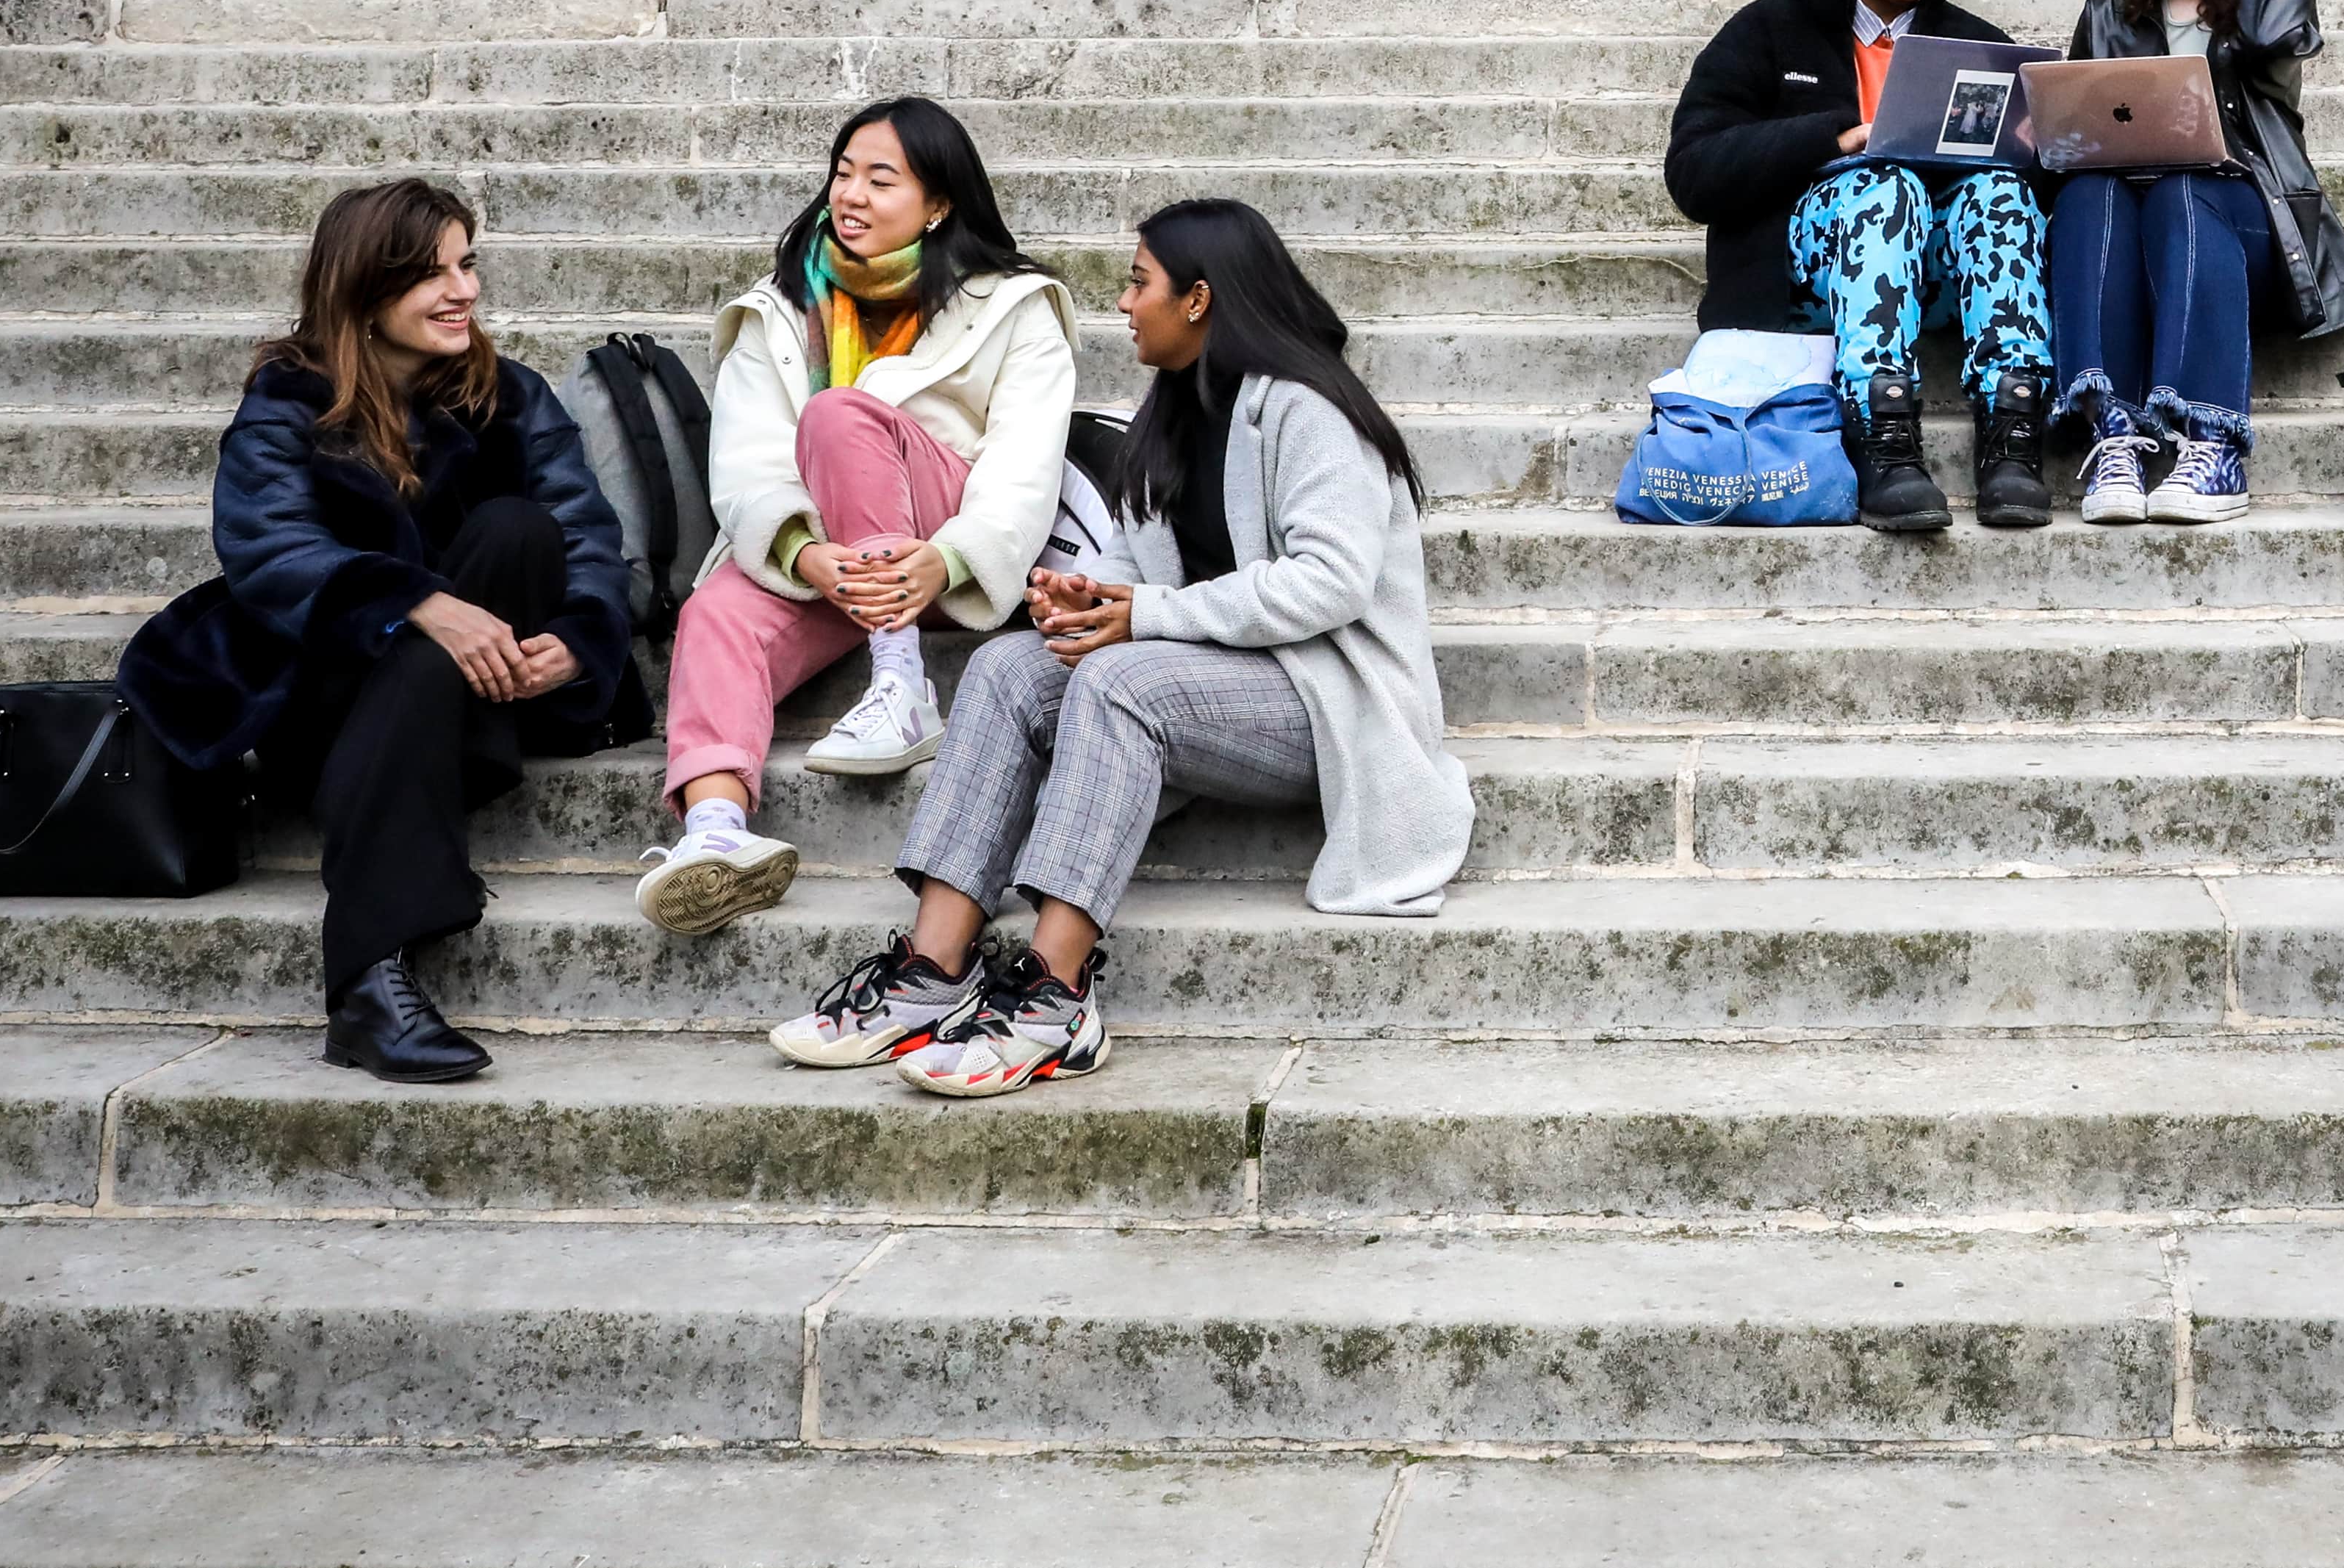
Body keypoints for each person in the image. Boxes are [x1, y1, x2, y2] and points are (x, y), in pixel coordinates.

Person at [773, 198, 1469, 1094]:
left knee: (1121, 681)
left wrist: (1141, 614)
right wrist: (1081, 597)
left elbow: (1327, 584)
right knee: (1006, 667)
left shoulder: (1306, 411)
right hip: (1202, 684)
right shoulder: (1170, 414)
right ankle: (932, 969)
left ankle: (1054, 999)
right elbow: (1131, 562)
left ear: (1199, 300)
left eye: (1139, 281)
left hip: (1325, 703)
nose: (1123, 301)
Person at [119, 179, 644, 1083]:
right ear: (361, 289)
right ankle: (368, 979)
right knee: (414, 646)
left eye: (467, 264)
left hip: (497, 693)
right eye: (428, 274)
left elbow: (589, 537)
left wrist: (579, 637)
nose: (463, 291)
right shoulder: (290, 402)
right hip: (326, 699)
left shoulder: (509, 396)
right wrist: (415, 604)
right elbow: (271, 551)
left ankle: (375, 982)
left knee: (519, 528)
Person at [639, 96, 1079, 936]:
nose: (853, 196)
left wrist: (946, 559)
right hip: (832, 556)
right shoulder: (779, 309)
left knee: (840, 414)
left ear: (940, 202)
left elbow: (1025, 469)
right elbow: (748, 464)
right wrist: (804, 555)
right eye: (844, 174)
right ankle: (716, 833)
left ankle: (900, 682)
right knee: (717, 611)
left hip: (943, 542)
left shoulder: (1015, 306)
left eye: (882, 180)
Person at [1662, 0, 2052, 536]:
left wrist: (2036, 146)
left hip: (1942, 269)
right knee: (1883, 185)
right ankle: (1884, 439)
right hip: (1811, 274)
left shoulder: (1976, 42)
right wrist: (1833, 137)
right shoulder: (1767, 31)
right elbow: (1692, 174)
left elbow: (2033, 188)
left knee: (1998, 194)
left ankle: (2013, 435)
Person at [2046, 0, 2344, 526]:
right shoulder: (2106, 16)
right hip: (2132, 225)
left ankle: (2214, 442)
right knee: (2086, 191)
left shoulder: (2259, 25)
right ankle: (2117, 434)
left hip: (2243, 225)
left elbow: (2279, 27)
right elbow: (2074, 139)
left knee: (2183, 190)